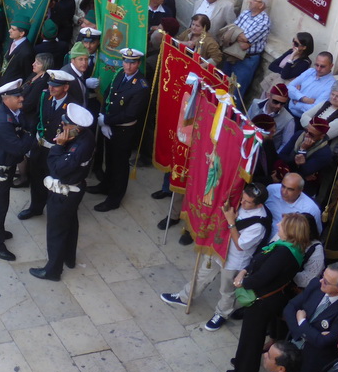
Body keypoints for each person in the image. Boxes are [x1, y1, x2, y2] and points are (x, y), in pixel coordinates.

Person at [160, 182, 270, 331]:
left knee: (227, 290)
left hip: (234, 260)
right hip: (218, 249)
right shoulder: (240, 202)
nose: (242, 203)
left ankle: (222, 314)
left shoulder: (259, 224)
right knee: (201, 276)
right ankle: (185, 296)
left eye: (247, 202)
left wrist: (231, 221)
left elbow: (240, 244)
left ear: (258, 205)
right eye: (243, 199)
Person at [229, 213, 312, 372]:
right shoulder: (288, 248)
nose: (278, 225)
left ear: (290, 230)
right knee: (251, 336)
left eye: (282, 223)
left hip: (263, 301)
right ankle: (242, 362)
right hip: (267, 299)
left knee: (252, 338)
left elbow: (262, 277)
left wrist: (242, 282)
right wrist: (245, 270)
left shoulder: (284, 253)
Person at [29, 103, 96, 281]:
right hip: (75, 189)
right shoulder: (84, 136)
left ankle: (52, 270)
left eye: (66, 126)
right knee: (70, 223)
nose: (63, 128)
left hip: (65, 192)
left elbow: (58, 168)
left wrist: (58, 146)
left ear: (76, 129)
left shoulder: (79, 147)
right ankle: (68, 257)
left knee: (56, 231)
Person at [91, 47, 150, 212]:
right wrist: (103, 118)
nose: (128, 66)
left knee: (119, 165)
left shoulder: (141, 86)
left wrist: (107, 120)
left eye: (132, 63)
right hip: (109, 126)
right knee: (108, 159)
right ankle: (105, 185)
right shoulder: (119, 75)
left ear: (138, 64)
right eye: (125, 61)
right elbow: (107, 95)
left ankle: (114, 198)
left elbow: (130, 114)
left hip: (123, 130)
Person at [283, 262, 338, 372]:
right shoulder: (316, 285)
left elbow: (323, 342)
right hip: (291, 346)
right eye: (323, 276)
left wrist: (302, 322)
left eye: (326, 281)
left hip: (311, 361)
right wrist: (302, 333)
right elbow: (290, 307)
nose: (321, 281)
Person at [0, 80, 31, 261]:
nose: (21, 98)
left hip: (6, 165)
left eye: (20, 95)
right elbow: (18, 148)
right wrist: (31, 136)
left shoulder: (14, 112)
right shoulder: (2, 121)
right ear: (5, 99)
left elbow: (24, 123)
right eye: (17, 96)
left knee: (0, 203)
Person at [18, 69, 73, 220]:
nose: (51, 88)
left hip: (57, 150)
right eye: (50, 84)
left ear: (66, 88)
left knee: (55, 182)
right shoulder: (45, 96)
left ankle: (56, 212)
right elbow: (39, 117)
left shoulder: (72, 106)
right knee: (36, 178)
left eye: (56, 86)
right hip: (40, 145)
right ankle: (35, 208)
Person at [220, 0, 273, 101]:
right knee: (223, 84)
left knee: (236, 92)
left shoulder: (264, 21)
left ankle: (230, 116)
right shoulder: (245, 13)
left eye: (254, 0)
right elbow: (232, 29)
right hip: (232, 53)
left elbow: (246, 39)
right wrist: (239, 36)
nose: (250, 1)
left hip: (246, 59)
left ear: (261, 5)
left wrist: (237, 35)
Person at [249, 84, 298, 152]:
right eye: (276, 102)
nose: (278, 106)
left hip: (266, 153)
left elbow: (286, 145)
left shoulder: (289, 120)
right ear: (269, 96)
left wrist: (272, 157)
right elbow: (245, 122)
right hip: (248, 144)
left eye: (282, 103)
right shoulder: (255, 103)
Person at [288, 53, 337, 120]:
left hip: (301, 119)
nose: (318, 69)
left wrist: (296, 101)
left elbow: (315, 108)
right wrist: (303, 99)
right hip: (287, 107)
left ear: (331, 66)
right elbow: (289, 87)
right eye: (316, 65)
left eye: (322, 66)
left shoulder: (331, 85)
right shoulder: (310, 71)